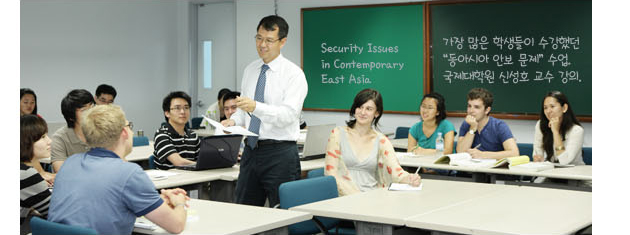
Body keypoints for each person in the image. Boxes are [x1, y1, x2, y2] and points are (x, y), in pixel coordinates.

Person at [48, 104, 189, 235]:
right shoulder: (129, 173)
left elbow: (102, 202)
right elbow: (176, 226)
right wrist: (179, 202)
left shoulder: (70, 163)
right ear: (124, 132)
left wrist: (155, 200)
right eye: (130, 126)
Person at [221, 15, 307, 207]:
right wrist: (233, 121)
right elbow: (244, 110)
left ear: (282, 41)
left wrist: (256, 107)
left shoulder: (293, 75)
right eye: (259, 38)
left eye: (269, 40)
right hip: (251, 151)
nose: (262, 45)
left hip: (280, 153)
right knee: (245, 210)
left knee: (283, 212)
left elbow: (288, 116)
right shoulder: (250, 70)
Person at [324, 89, 421, 196]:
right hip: (342, 198)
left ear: (377, 113)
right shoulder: (337, 134)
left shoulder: (382, 140)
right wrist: (355, 196)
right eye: (359, 107)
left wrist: (410, 178)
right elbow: (331, 174)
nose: (362, 112)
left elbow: (396, 171)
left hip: (371, 197)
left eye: (369, 109)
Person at [456, 88, 519, 159]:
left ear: (487, 110)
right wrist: (472, 128)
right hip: (469, 169)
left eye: (476, 107)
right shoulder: (466, 124)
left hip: (491, 169)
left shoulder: (499, 126)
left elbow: (514, 153)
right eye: (469, 106)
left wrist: (483, 155)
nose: (471, 111)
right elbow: (460, 152)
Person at [533, 91, 584, 165]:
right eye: (545, 108)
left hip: (572, 173)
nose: (548, 111)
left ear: (564, 108)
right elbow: (538, 152)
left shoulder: (576, 130)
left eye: (552, 106)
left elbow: (564, 161)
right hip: (551, 171)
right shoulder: (540, 125)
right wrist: (538, 157)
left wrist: (555, 132)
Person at [153, 91, 200, 170]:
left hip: (192, 178)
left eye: (186, 108)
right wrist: (201, 164)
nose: (183, 112)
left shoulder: (193, 136)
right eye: (177, 108)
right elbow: (179, 162)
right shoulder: (162, 135)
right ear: (167, 113)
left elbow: (203, 159)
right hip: (170, 180)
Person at [51, 89, 94, 173]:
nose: (91, 113)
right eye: (84, 110)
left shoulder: (103, 132)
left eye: (92, 107)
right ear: (71, 116)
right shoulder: (60, 138)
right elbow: (61, 172)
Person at [20, 115, 52, 225]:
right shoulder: (26, 174)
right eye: (43, 137)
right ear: (26, 142)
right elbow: (56, 213)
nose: (49, 141)